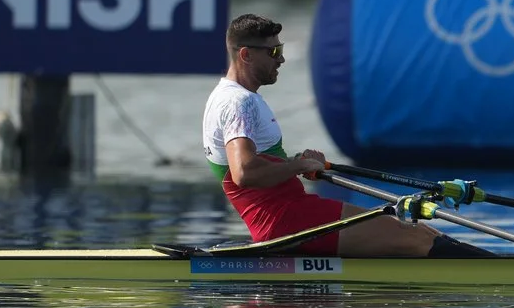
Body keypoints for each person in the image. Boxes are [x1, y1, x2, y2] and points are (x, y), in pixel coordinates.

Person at [202, 14, 485, 257]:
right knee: (419, 240)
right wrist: (298, 166)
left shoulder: (226, 97)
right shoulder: (240, 102)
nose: (283, 59)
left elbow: (258, 164)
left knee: (418, 230)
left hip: (288, 213)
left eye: (281, 49)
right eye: (274, 52)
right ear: (246, 55)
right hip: (285, 220)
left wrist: (296, 163)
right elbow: (244, 173)